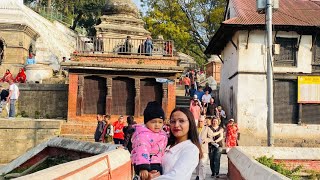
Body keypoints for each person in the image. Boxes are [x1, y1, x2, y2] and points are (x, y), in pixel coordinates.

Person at [149, 107, 202, 179]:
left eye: (181, 121)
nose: (176, 125)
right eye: (173, 121)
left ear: (190, 123)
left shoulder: (191, 149)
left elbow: (177, 177)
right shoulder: (165, 144)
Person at [131, 101, 168, 180]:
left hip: (157, 163)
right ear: (146, 122)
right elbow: (142, 149)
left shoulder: (162, 134)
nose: (157, 125)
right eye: (153, 122)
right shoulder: (143, 135)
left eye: (160, 122)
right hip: (147, 164)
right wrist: (143, 167)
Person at [196, 116, 222, 180]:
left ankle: (201, 178)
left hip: (204, 149)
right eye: (199, 121)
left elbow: (211, 137)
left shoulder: (207, 129)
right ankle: (198, 176)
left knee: (203, 164)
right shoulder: (194, 129)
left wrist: (206, 140)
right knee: (197, 164)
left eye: (201, 121)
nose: (200, 123)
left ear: (204, 122)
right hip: (196, 149)